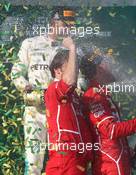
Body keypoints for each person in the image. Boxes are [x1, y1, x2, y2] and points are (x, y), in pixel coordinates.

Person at [11, 7, 85, 175]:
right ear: (54, 22)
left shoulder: (72, 50)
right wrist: (26, 88)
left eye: (71, 26)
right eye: (66, 25)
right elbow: (16, 72)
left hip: (61, 115)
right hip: (35, 112)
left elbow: (80, 80)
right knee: (33, 164)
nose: (69, 29)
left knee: (62, 161)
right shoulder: (30, 43)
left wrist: (78, 90)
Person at [80, 51, 136, 175]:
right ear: (98, 69)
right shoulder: (94, 95)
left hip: (117, 161)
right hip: (111, 164)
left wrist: (127, 150)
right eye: (105, 63)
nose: (111, 66)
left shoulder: (103, 94)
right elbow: (111, 131)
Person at [44, 37, 93, 175]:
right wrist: (72, 48)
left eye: (76, 66)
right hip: (65, 157)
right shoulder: (54, 88)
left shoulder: (75, 96)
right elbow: (70, 80)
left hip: (78, 159)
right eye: (71, 66)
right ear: (58, 71)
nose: (76, 70)